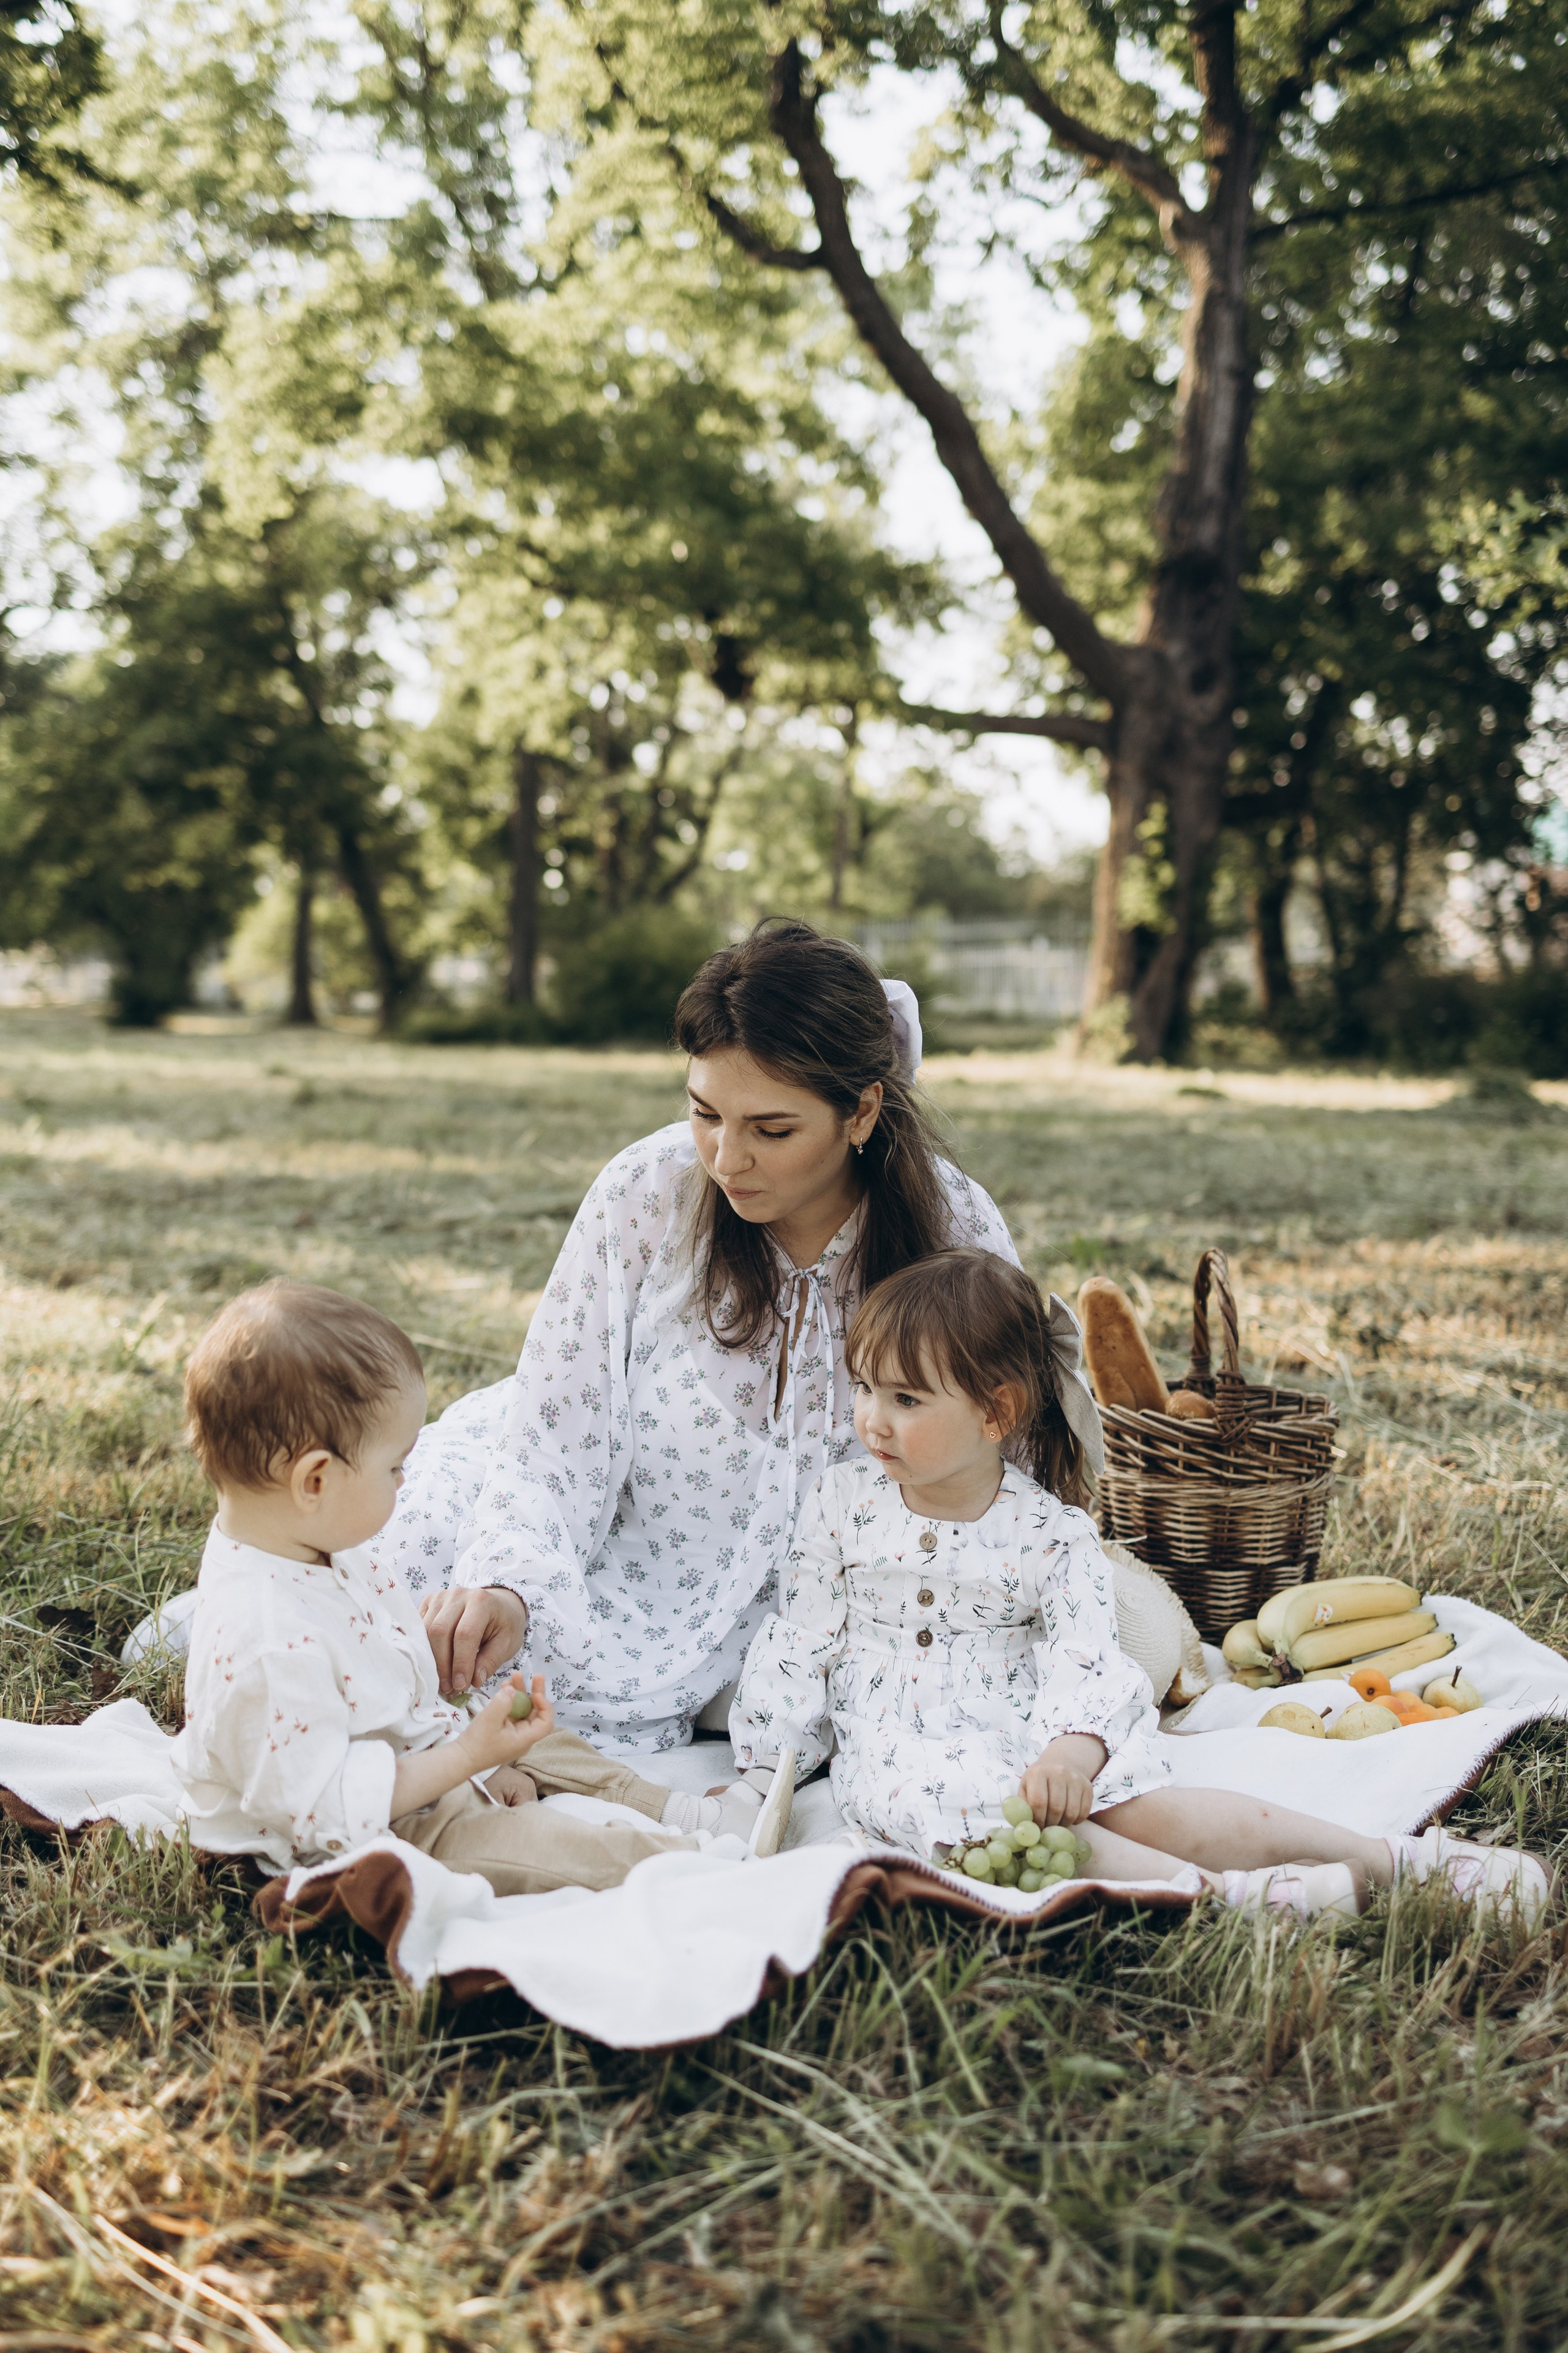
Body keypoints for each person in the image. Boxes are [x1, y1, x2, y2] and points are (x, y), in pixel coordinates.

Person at [728, 1250, 1548, 1923]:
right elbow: (802, 1636)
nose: (872, 1417)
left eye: (905, 1398)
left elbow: (1086, 1653)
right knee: (983, 1810)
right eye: (864, 1387)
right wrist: (767, 1764)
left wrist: (1072, 1748)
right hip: (908, 1740)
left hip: (1031, 1719)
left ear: (994, 1413)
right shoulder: (842, 1505)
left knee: (1137, 1797)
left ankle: (1395, 1860)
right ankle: (1233, 1902)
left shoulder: (1052, 1534)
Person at [373, 920, 1025, 1752]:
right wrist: (510, 1587)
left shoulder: (955, 1229)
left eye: (772, 1130)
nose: (726, 1157)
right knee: (431, 1634)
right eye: (705, 1113)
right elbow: (558, 1428)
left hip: (841, 1604)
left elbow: (1008, 1456)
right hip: (612, 1543)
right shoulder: (646, 1192)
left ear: (861, 1111)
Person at [170, 1281, 787, 1892]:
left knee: (542, 1737)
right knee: (541, 1848)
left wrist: (459, 1724)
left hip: (409, 1757)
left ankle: (681, 1811)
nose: (406, 1479)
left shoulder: (304, 1544)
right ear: (315, 1481)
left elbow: (366, 1669)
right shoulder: (268, 1644)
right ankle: (695, 1863)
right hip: (360, 1835)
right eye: (394, 1466)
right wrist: (467, 1763)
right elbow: (324, 1811)